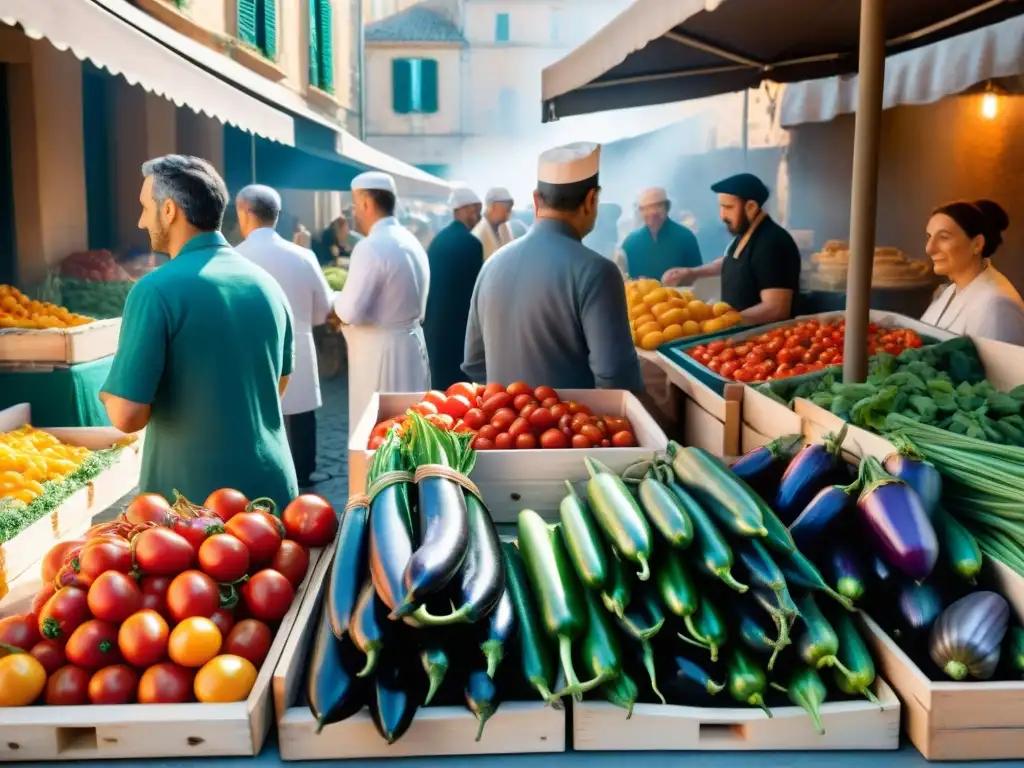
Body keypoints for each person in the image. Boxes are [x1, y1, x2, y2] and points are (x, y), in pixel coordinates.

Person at [99, 155, 297, 510]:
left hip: (194, 504)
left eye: (146, 207)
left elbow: (127, 416)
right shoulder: (268, 284)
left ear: (170, 210)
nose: (141, 220)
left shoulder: (155, 289)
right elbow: (278, 383)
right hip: (273, 491)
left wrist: (109, 394)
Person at [463, 142, 642, 391]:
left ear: (536, 199)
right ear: (591, 200)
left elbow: (474, 363)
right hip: (572, 427)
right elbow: (616, 375)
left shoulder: (491, 266)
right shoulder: (598, 272)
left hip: (499, 425)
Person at [234, 184, 334, 487]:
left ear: (245, 213)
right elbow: (324, 309)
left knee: (256, 413)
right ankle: (303, 472)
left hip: (248, 348)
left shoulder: (234, 257)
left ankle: (258, 472)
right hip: (299, 342)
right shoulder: (303, 256)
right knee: (301, 415)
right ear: (276, 215)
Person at [334, 172, 431, 432]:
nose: (353, 212)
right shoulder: (412, 241)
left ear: (366, 203)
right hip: (411, 348)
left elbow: (350, 311)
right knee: (412, 432)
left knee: (381, 437)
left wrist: (333, 299)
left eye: (355, 204)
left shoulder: (371, 246)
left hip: (381, 355)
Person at [663, 173, 800, 324]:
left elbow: (777, 308)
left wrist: (723, 322)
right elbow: (734, 262)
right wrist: (693, 272)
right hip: (739, 333)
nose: (722, 216)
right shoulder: (746, 235)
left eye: (728, 207)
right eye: (721, 206)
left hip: (763, 339)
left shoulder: (773, 242)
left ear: (751, 207)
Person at [920, 200, 1024, 345]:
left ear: (977, 244)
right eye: (929, 237)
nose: (929, 249)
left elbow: (996, 367)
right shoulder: (950, 291)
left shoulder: (997, 307)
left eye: (943, 237)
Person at [423, 186, 485, 390]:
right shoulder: (472, 243)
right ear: (461, 210)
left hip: (435, 325)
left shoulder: (439, 239)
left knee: (439, 387)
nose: (478, 214)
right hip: (459, 327)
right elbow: (475, 292)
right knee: (460, 390)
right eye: (475, 209)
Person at [621, 188, 702, 278]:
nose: (652, 212)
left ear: (667, 207)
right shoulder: (630, 243)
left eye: (657, 206)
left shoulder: (686, 238)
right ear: (640, 212)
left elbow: (699, 279)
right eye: (646, 208)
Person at [472, 186, 514, 260]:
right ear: (494, 207)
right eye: (507, 208)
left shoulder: (504, 227)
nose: (509, 213)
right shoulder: (479, 233)